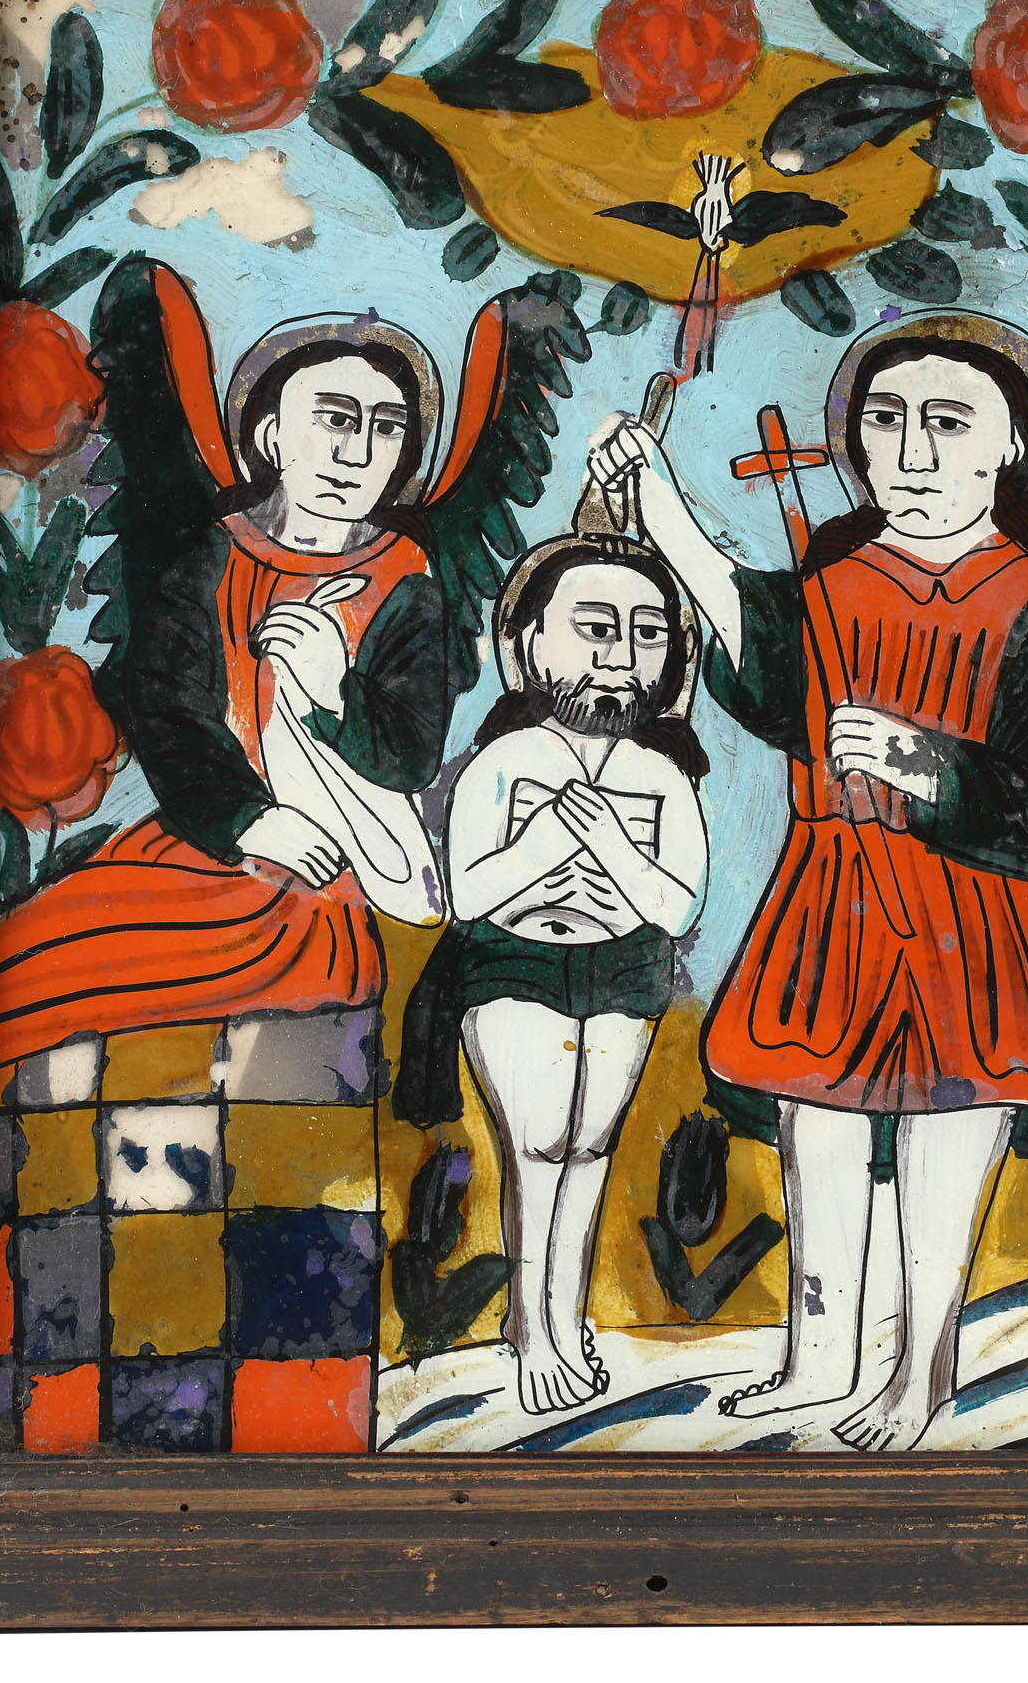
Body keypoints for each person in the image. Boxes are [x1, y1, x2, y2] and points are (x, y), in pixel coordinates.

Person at [589, 312, 1028, 1450]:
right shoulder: (835, 576)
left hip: (967, 913)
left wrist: (923, 763)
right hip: (834, 893)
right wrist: (659, 502)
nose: (909, 450)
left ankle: (920, 1371)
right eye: (885, 420)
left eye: (947, 422)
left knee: (941, 1131)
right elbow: (757, 647)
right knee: (814, 1120)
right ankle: (818, 1359)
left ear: (1009, 446)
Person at [0, 312, 454, 1080]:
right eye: (335, 418)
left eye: (387, 428)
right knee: (20, 962)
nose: (358, 452)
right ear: (270, 435)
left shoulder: (407, 582)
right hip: (208, 839)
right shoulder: (210, 560)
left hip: (325, 875)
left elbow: (410, 757)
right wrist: (248, 821)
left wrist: (335, 691)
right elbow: (169, 717)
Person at [395, 527, 710, 1414]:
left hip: (624, 970)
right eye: (596, 627)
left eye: (648, 633)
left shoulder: (662, 774)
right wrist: (541, 846)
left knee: (589, 1146)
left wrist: (613, 845)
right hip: (515, 965)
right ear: (531, 643)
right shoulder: (504, 762)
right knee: (535, 1145)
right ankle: (531, 1332)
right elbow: (467, 892)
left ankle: (565, 1321)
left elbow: (679, 904)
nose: (622, 655)